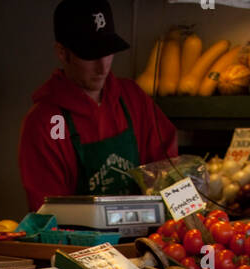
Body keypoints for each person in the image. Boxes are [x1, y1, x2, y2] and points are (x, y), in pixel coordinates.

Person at [19, 0, 178, 211]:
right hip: (78, 244)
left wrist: (186, 217)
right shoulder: (44, 123)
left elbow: (169, 171)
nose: (103, 67)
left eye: (108, 51)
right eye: (90, 55)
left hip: (145, 241)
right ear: (62, 52)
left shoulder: (133, 98)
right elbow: (49, 213)